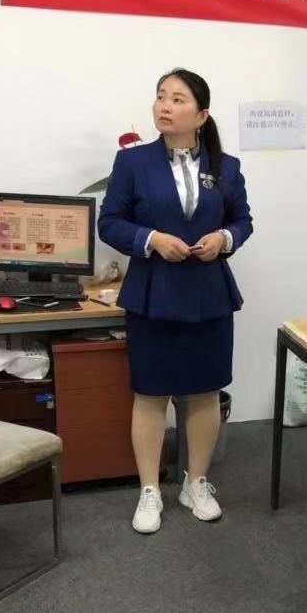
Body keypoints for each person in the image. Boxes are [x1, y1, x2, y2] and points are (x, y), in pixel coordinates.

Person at [98, 68, 252, 536]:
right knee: (151, 393)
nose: (165, 106)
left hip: (208, 293)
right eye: (161, 97)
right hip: (153, 292)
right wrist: (151, 239)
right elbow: (110, 222)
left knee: (204, 391)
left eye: (178, 99)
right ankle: (150, 489)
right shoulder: (133, 162)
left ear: (201, 115)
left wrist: (224, 238)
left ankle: (195, 482)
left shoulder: (226, 167)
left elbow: (243, 221)